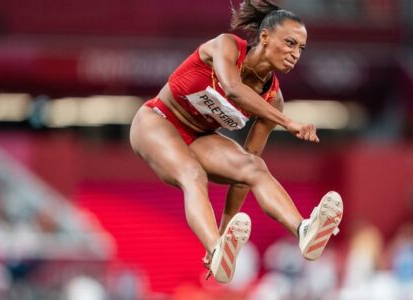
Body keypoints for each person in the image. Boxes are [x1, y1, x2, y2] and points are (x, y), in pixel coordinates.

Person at [129, 0, 344, 284]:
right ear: (265, 37)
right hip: (158, 120)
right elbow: (232, 88)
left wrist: (225, 229)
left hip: (200, 138)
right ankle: (214, 246)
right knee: (193, 174)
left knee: (254, 166)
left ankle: (303, 230)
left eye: (300, 49)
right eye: (290, 43)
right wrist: (288, 122)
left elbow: (243, 175)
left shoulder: (273, 99)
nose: (295, 54)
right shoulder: (226, 47)